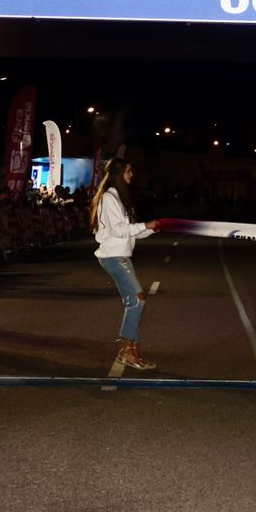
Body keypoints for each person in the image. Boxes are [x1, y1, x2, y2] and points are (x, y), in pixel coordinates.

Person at [91, 157, 158, 369]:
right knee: (138, 300)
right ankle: (127, 351)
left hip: (121, 255)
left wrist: (151, 228)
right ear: (120, 173)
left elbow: (129, 234)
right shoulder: (109, 198)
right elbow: (118, 231)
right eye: (129, 171)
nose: (132, 175)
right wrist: (145, 225)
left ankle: (131, 350)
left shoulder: (119, 199)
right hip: (112, 256)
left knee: (134, 303)